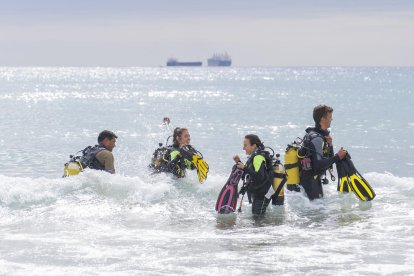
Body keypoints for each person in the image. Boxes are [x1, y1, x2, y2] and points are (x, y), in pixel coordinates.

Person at [299, 105, 346, 200]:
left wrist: (330, 145)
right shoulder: (317, 138)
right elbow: (318, 165)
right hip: (310, 182)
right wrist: (338, 157)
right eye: (329, 117)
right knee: (315, 213)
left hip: (313, 180)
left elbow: (328, 164)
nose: (331, 119)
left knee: (318, 210)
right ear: (322, 119)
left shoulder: (320, 136)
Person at [233, 134, 273, 217]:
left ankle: (265, 229)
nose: (243, 148)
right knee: (257, 218)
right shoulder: (254, 156)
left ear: (254, 145)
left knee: (258, 219)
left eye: (245, 145)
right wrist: (239, 162)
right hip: (259, 192)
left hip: (262, 194)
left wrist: (244, 168)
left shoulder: (258, 157)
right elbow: (249, 174)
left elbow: (259, 176)